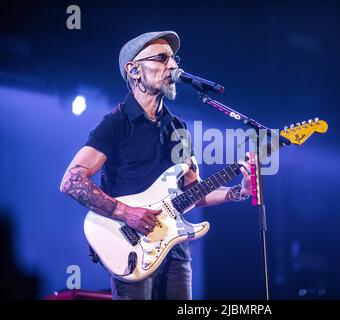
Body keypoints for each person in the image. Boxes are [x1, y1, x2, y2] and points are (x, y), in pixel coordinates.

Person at [60, 31, 252, 300]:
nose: (173, 66)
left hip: (175, 251)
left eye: (173, 58)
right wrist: (127, 213)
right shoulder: (115, 124)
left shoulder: (177, 128)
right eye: (162, 58)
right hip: (131, 245)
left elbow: (194, 193)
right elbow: (72, 181)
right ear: (134, 70)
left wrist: (239, 192)